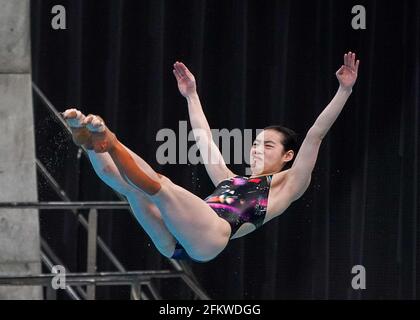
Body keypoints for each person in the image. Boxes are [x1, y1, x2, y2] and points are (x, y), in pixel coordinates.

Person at [62, 51, 359, 262]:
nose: (256, 149)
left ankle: (109, 141)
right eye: (255, 143)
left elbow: (315, 134)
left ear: (288, 156)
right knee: (131, 189)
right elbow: (204, 139)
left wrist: (344, 91)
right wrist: (191, 94)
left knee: (161, 185)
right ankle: (87, 139)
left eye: (268, 146)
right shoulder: (229, 179)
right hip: (176, 241)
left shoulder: (289, 184)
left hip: (211, 237)